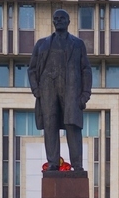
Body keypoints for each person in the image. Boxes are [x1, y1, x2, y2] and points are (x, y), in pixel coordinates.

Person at [28, 9, 92, 171]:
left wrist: (85, 94)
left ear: (69, 21)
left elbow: (86, 70)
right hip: (48, 89)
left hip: (71, 90)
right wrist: (36, 90)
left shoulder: (77, 44)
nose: (58, 21)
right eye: (56, 18)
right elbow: (32, 69)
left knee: (72, 126)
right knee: (50, 125)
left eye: (62, 18)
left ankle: (77, 165)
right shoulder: (42, 44)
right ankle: (53, 163)